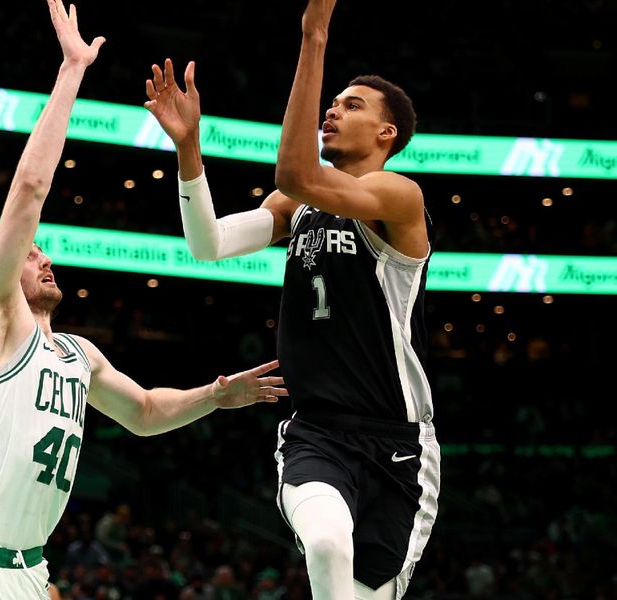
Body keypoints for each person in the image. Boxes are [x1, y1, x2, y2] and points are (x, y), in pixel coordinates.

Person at [0, 2, 287, 598]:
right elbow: (31, 189)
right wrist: (72, 70)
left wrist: (216, 396)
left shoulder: (76, 354)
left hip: (29, 568)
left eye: (40, 252)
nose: (44, 257)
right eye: (30, 255)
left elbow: (142, 412)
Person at [143, 0, 439, 597]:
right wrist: (188, 147)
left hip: (400, 446)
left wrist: (314, 31)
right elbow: (208, 245)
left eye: (351, 105)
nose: (332, 109)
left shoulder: (398, 197)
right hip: (316, 434)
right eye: (333, 102)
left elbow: (298, 173)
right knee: (327, 543)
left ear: (388, 134)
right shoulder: (296, 208)